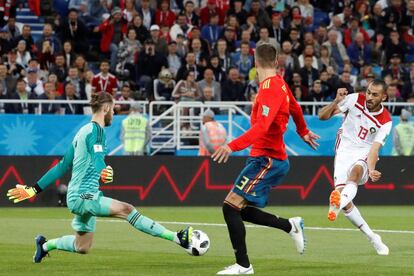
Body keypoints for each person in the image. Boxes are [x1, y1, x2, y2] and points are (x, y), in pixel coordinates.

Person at [6, 93, 194, 263]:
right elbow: (97, 159)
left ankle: (45, 245)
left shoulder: (82, 132)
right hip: (83, 196)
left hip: (80, 196)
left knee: (82, 247)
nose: (114, 112)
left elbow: (62, 165)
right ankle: (178, 237)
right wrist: (104, 170)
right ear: (105, 108)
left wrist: (33, 189)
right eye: (113, 109)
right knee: (127, 210)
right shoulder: (96, 131)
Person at [211, 43, 320, 275]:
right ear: (277, 59)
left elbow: (262, 126)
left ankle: (243, 265)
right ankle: (290, 226)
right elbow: (296, 108)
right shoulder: (278, 83)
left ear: (255, 60)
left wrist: (232, 145)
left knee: (230, 207)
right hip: (264, 157)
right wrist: (303, 131)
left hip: (267, 159)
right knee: (240, 209)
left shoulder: (270, 87)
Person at [318, 81, 392, 256]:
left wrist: (372, 168)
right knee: (345, 203)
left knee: (356, 172)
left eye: (375, 95)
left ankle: (337, 202)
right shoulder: (354, 100)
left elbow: (374, 149)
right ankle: (373, 237)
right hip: (344, 151)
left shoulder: (386, 121)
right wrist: (336, 101)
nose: (369, 97)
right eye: (368, 92)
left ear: (384, 97)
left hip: (364, 152)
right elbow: (322, 116)